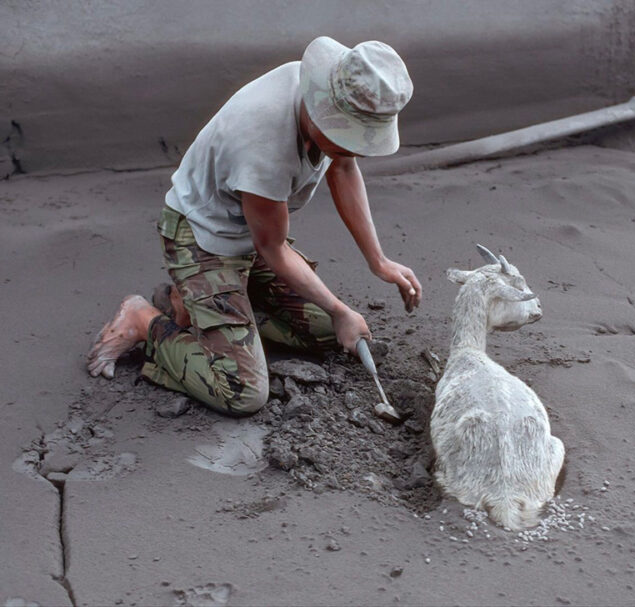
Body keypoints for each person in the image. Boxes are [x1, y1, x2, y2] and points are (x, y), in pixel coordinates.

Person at [86, 36, 422, 416]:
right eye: (348, 140)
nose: (353, 150)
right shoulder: (263, 143)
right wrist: (340, 308)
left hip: (250, 234)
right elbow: (274, 248)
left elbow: (343, 166)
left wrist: (378, 260)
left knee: (332, 335)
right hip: (202, 240)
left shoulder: (333, 91)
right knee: (242, 390)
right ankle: (143, 319)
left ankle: (208, 310)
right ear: (322, 109)